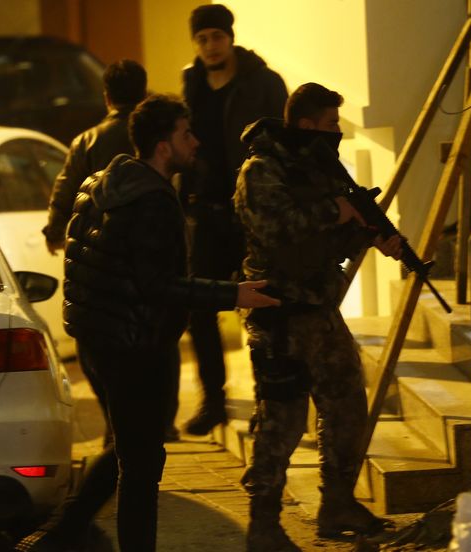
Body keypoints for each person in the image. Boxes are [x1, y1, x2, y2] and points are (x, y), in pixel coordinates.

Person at [15, 94, 280, 552]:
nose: (195, 143)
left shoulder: (104, 183)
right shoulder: (153, 203)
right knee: (141, 466)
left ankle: (58, 534)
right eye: (185, 134)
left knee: (128, 448)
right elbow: (159, 286)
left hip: (101, 342)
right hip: (132, 345)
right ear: (163, 146)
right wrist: (231, 294)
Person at [233, 83, 402, 551]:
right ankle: (263, 524)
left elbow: (330, 239)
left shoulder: (321, 169)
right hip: (280, 314)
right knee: (281, 421)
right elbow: (275, 228)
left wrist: (369, 235)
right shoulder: (261, 170)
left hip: (320, 309)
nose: (338, 133)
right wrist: (337, 210)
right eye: (331, 124)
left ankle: (338, 502)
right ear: (306, 125)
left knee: (348, 403)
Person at [39, 59, 182, 444]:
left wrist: (55, 231)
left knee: (107, 345)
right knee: (160, 335)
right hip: (150, 252)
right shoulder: (155, 137)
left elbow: (66, 188)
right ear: (144, 91)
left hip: (104, 258)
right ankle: (159, 421)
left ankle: (116, 427)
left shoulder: (86, 141)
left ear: (106, 96)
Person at [179, 3, 289, 436]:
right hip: (204, 212)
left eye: (217, 37)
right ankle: (214, 400)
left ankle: (268, 399)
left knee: (260, 308)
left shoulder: (261, 83)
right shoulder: (191, 84)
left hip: (252, 213)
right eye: (202, 39)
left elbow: (285, 144)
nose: (210, 46)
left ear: (231, 37)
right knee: (199, 306)